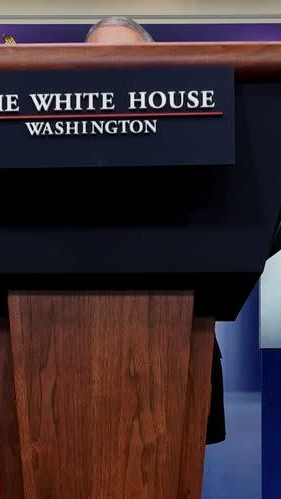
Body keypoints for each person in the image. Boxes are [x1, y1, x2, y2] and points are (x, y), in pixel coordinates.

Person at [85, 17, 228, 445]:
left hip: (178, 348)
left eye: (122, 59)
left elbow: (263, 231)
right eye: (95, 62)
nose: (110, 72)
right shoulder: (40, 139)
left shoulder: (197, 132)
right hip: (68, 359)